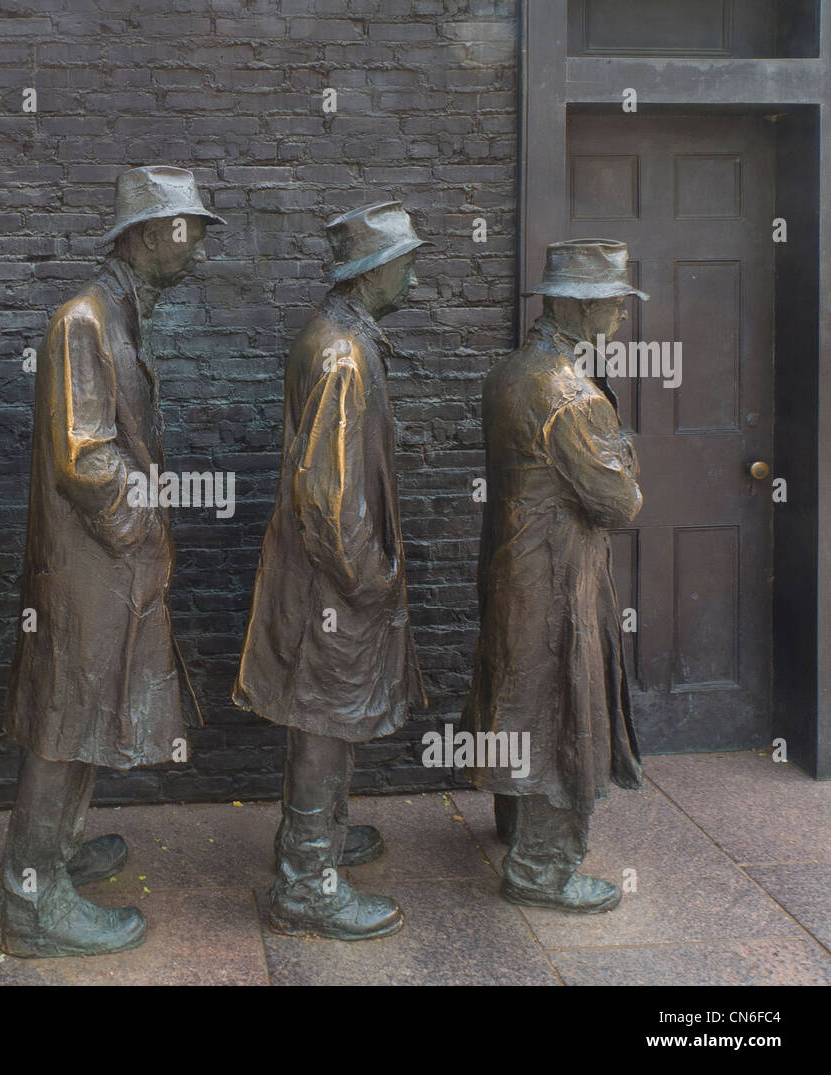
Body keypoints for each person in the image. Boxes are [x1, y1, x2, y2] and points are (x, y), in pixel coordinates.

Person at [0, 166, 223, 957]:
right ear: (137, 236)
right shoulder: (84, 322)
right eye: (181, 228)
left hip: (105, 567)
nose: (194, 245)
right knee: (65, 724)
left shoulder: (117, 316)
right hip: (89, 569)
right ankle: (30, 899)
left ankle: (53, 855)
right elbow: (85, 459)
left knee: (84, 719)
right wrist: (148, 529)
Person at [234, 201, 427, 939]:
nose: (413, 279)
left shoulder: (341, 338)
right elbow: (329, 491)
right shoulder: (343, 354)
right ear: (374, 272)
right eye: (406, 265)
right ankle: (307, 882)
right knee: (322, 719)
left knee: (330, 717)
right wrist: (370, 578)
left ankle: (320, 839)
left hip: (326, 576)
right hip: (332, 584)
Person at [464, 238, 645, 913]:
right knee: (563, 702)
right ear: (578, 304)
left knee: (519, 686)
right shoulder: (571, 393)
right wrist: (625, 451)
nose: (623, 313)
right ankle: (542, 867)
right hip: (560, 573)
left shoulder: (510, 372)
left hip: (514, 563)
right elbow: (619, 500)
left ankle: (515, 818)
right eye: (613, 301)